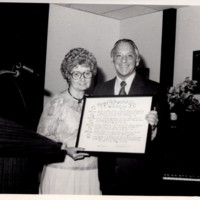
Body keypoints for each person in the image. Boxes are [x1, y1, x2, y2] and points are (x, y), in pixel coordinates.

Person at [93, 39, 166, 195]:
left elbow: (167, 137)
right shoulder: (99, 90)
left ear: (137, 60)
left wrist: (155, 131)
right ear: (112, 58)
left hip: (142, 177)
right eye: (119, 55)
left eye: (129, 56)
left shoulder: (155, 89)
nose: (124, 60)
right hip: (108, 177)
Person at [37, 47, 101, 194]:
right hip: (62, 173)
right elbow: (41, 139)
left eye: (87, 73)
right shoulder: (57, 103)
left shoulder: (96, 103)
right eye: (76, 73)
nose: (82, 78)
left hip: (91, 174)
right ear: (68, 75)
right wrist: (65, 149)